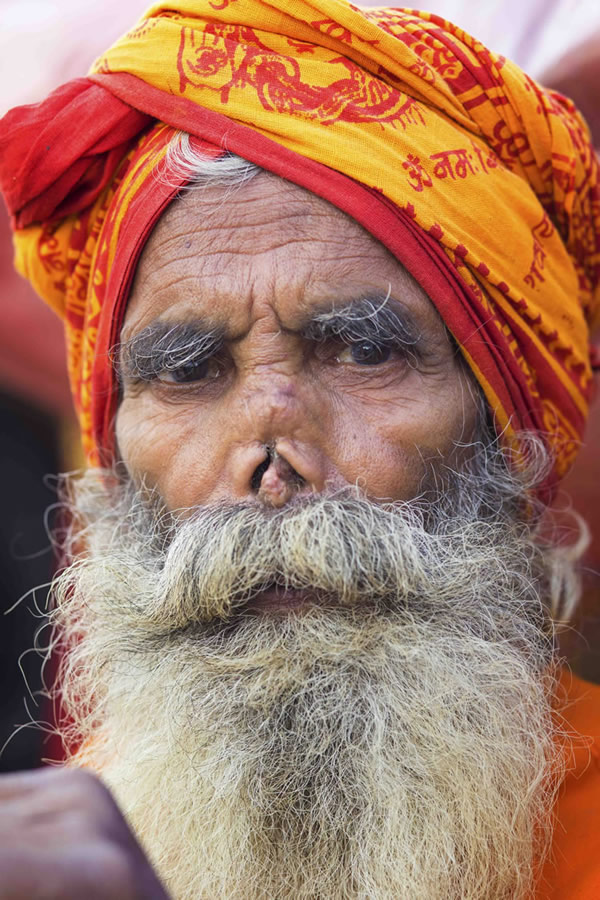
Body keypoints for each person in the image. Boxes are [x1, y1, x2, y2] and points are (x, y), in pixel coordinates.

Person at [0, 2, 599, 897]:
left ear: (509, 446)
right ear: (113, 473)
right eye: (189, 368)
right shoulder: (58, 847)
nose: (270, 457)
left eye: (364, 351)